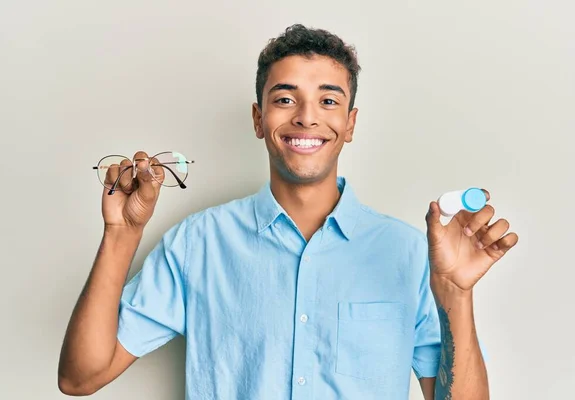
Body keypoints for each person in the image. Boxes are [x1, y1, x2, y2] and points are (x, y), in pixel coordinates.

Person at [58, 24, 518, 400]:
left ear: (350, 125)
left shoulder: (409, 253)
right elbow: (80, 377)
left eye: (329, 100)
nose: (306, 117)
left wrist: (455, 293)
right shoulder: (197, 243)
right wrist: (121, 234)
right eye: (285, 98)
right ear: (259, 119)